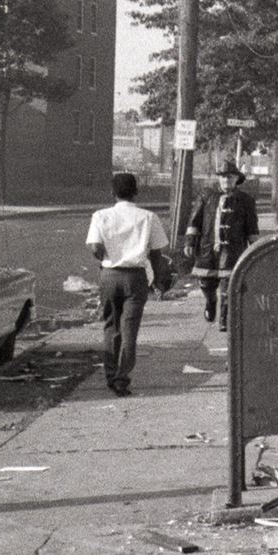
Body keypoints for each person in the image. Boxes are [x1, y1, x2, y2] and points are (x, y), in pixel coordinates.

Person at [85, 170, 169, 397]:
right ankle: (122, 379)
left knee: (111, 326)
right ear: (136, 192)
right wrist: (159, 282)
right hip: (135, 278)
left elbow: (94, 246)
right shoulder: (148, 217)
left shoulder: (100, 216)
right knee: (129, 330)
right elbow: (157, 254)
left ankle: (110, 375)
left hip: (109, 275)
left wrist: (106, 257)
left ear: (112, 192)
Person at [183, 160, 260, 330]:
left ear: (236, 179)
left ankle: (224, 318)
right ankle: (211, 302)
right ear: (219, 179)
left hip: (233, 250)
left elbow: (252, 228)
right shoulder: (206, 196)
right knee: (206, 283)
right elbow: (194, 220)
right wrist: (190, 241)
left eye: (230, 177)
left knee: (229, 286)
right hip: (208, 248)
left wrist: (254, 250)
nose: (226, 181)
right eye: (223, 177)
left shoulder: (245, 201)